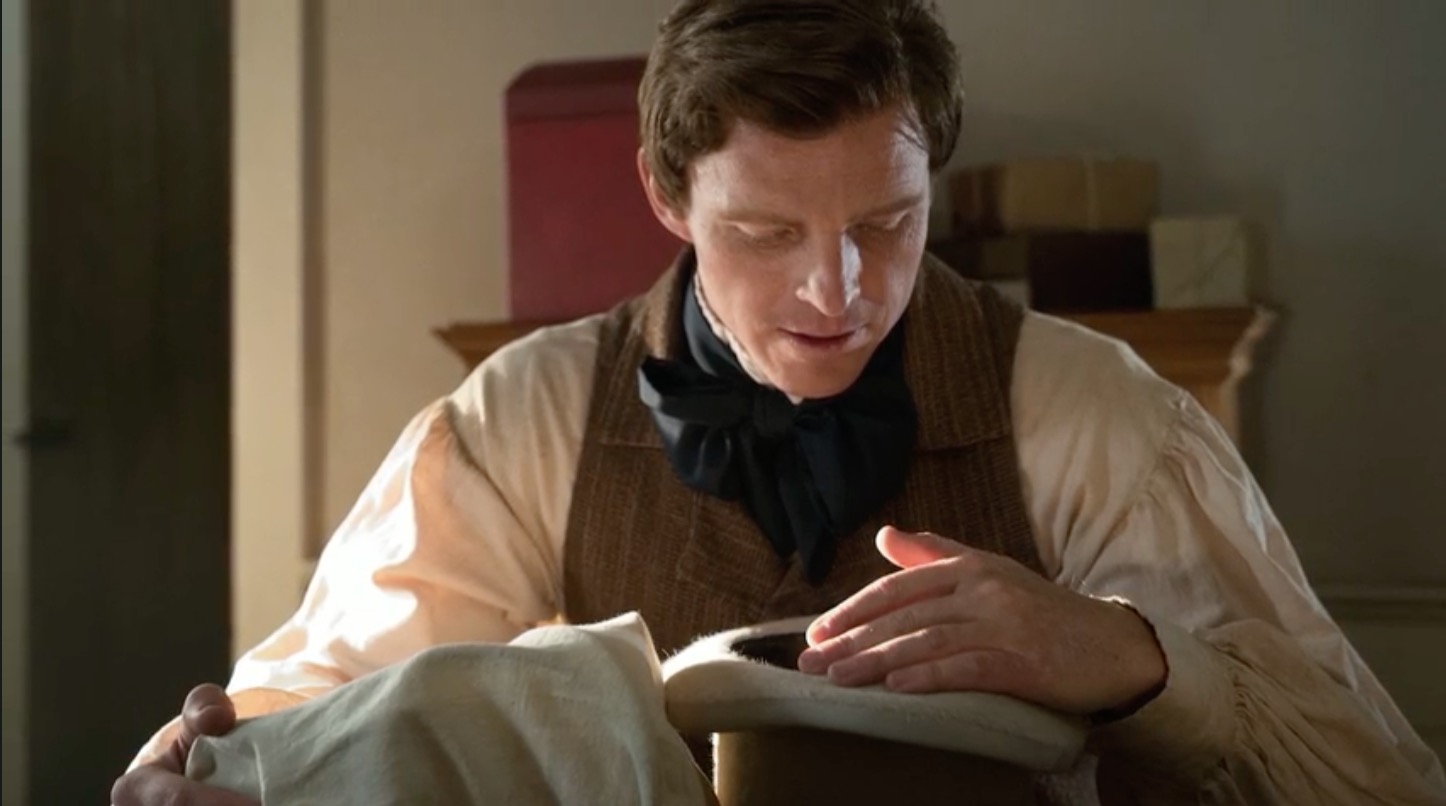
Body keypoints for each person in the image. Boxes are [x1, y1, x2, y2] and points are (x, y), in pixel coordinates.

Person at [114, 0, 1445, 803]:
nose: (837, 290)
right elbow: (324, 723)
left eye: (887, 221)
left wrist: (1136, 661)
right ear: (666, 195)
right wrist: (222, 765)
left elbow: (1373, 780)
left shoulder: (1097, 418)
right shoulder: (520, 422)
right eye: (765, 232)